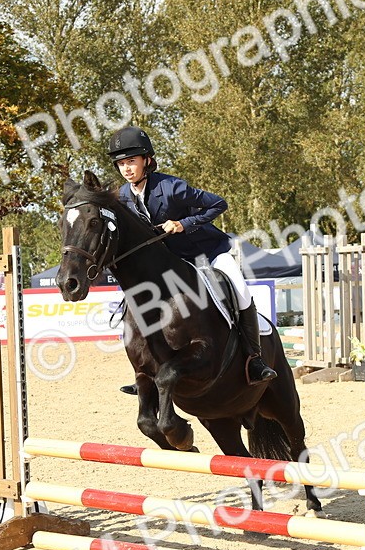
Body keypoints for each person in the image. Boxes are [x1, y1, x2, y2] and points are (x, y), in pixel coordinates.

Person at [108, 126, 276, 385]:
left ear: (147, 161)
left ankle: (255, 358)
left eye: (131, 161)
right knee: (137, 298)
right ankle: (146, 370)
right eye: (121, 164)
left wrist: (183, 223)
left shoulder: (172, 187)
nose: (126, 169)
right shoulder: (123, 196)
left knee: (240, 291)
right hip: (172, 262)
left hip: (207, 253)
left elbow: (219, 203)